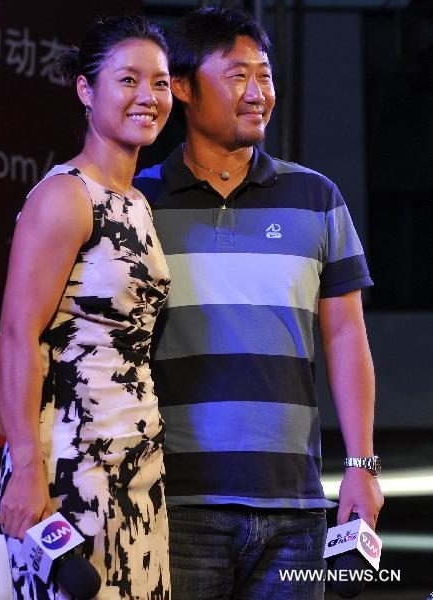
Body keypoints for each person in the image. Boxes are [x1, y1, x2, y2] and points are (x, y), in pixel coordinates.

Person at [134, 7, 383, 600]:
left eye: (265, 76)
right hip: (177, 501)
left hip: (295, 506)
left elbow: (347, 337)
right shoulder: (137, 202)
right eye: (238, 75)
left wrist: (362, 465)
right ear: (186, 88)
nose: (258, 94)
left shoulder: (316, 197)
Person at [0, 15, 172, 600]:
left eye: (161, 82)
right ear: (85, 89)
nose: (147, 96)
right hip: (70, 466)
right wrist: (26, 466)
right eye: (128, 80)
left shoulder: (139, 203)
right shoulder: (65, 196)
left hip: (138, 466)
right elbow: (20, 335)